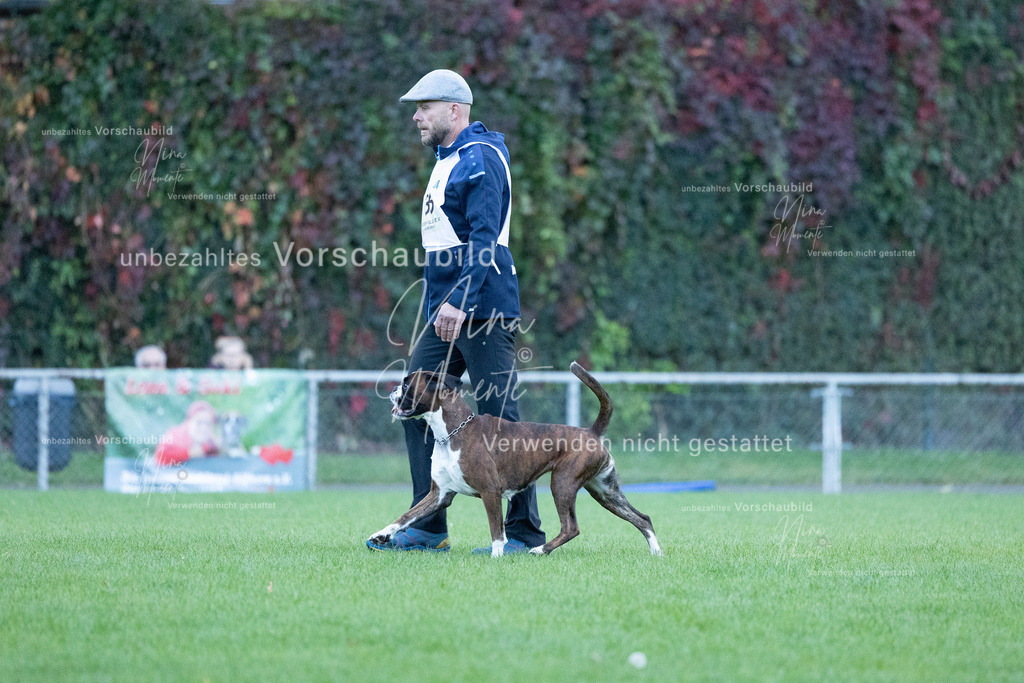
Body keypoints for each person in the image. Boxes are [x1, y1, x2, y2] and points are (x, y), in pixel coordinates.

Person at [368, 69, 545, 553]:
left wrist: (460, 301)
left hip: (481, 308)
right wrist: (438, 306)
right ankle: (427, 527)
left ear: (455, 110)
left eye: (424, 107)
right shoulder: (449, 159)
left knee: (501, 419)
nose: (415, 116)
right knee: (412, 404)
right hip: (443, 312)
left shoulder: (481, 158)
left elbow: (484, 242)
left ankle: (524, 532)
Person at [154, 400, 220, 466]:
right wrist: (188, 453)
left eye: (208, 424)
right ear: (189, 421)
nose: (204, 428)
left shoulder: (212, 444)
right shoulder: (176, 436)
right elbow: (160, 456)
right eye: (199, 422)